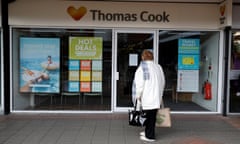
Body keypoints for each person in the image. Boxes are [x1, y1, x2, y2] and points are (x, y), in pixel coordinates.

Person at [132, 49, 165, 142]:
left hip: (147, 96)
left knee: (148, 116)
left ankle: (150, 136)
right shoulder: (158, 67)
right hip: (156, 97)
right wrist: (160, 93)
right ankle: (148, 131)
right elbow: (163, 81)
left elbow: (139, 84)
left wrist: (138, 95)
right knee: (152, 116)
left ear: (143, 57)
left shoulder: (142, 68)